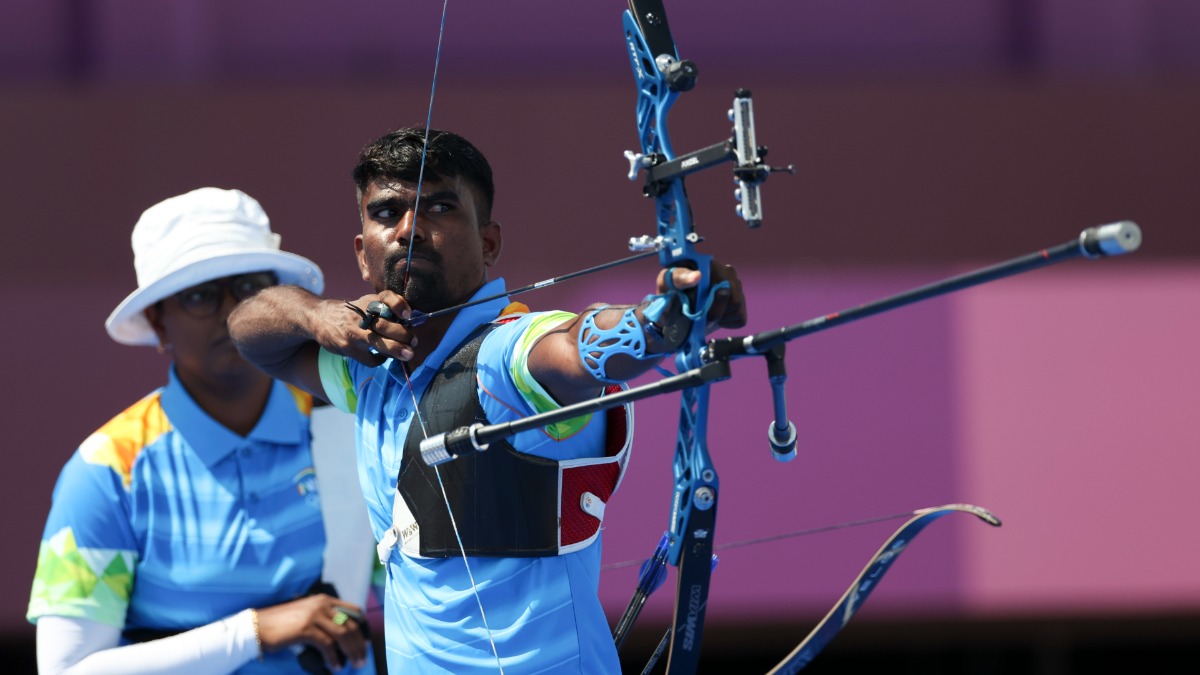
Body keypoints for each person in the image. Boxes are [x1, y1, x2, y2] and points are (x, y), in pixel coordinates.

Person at [227, 128, 747, 674]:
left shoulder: (511, 354)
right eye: (387, 213)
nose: (409, 229)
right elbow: (248, 330)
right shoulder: (370, 371)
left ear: (489, 242)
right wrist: (317, 315)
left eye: (440, 207)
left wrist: (665, 320)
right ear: (362, 252)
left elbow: (576, 348)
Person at [27, 188, 377, 675]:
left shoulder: (354, 423)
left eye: (252, 287)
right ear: (158, 322)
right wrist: (251, 633)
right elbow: (67, 670)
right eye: (200, 295)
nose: (234, 313)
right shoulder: (108, 468)